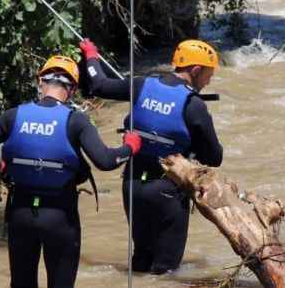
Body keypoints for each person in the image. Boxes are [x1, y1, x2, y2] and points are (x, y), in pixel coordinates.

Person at [0, 55, 141, 288]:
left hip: (21, 214)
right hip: (60, 216)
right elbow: (106, 161)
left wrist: (2, 171)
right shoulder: (76, 121)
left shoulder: (14, 115)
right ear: (73, 89)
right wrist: (130, 147)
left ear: (40, 81)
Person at [79, 38, 223, 275]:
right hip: (167, 191)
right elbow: (214, 157)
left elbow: (99, 85)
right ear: (196, 70)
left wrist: (92, 55)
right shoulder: (194, 105)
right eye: (209, 74)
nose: (209, 80)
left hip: (132, 185)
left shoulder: (142, 85)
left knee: (141, 260)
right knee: (165, 272)